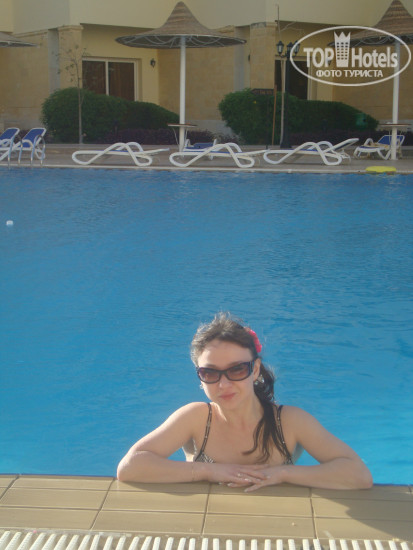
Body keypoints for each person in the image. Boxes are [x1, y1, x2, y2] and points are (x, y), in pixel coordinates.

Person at [117, 312, 373, 491]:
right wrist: (210, 471)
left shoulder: (290, 422)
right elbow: (130, 467)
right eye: (210, 373)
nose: (224, 384)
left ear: (255, 369)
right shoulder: (195, 419)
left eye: (237, 369)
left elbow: (358, 474)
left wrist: (282, 474)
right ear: (200, 378)